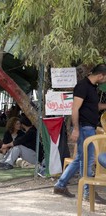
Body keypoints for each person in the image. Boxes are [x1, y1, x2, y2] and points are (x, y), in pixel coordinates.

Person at [54, 64, 106, 199]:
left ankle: (60, 185)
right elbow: (75, 109)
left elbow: (94, 107)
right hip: (84, 127)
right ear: (101, 75)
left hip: (89, 127)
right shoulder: (83, 86)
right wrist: (76, 129)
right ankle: (88, 193)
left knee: (80, 159)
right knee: (88, 160)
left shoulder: (92, 88)